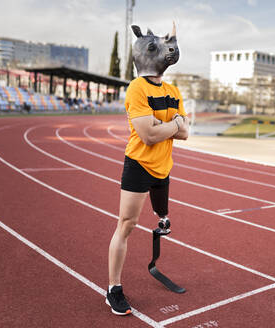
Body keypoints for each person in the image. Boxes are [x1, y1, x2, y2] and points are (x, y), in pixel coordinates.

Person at [106, 22, 188, 315]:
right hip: (139, 164)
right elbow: (148, 136)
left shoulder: (173, 90)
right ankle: (113, 288)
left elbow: (185, 132)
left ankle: (162, 217)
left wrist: (161, 125)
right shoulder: (136, 88)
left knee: (162, 208)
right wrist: (172, 125)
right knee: (126, 225)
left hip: (163, 165)